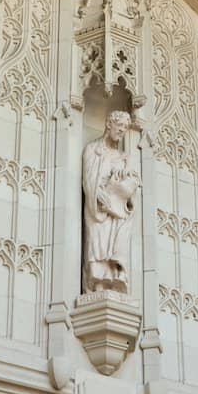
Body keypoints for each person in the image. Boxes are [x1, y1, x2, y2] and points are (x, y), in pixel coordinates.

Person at [82, 111, 141, 293]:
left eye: (125, 128)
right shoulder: (93, 149)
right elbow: (88, 178)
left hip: (115, 213)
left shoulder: (123, 157)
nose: (122, 130)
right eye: (120, 126)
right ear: (109, 124)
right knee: (97, 242)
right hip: (98, 210)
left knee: (115, 245)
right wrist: (97, 194)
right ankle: (98, 285)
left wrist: (126, 183)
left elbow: (132, 187)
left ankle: (114, 280)